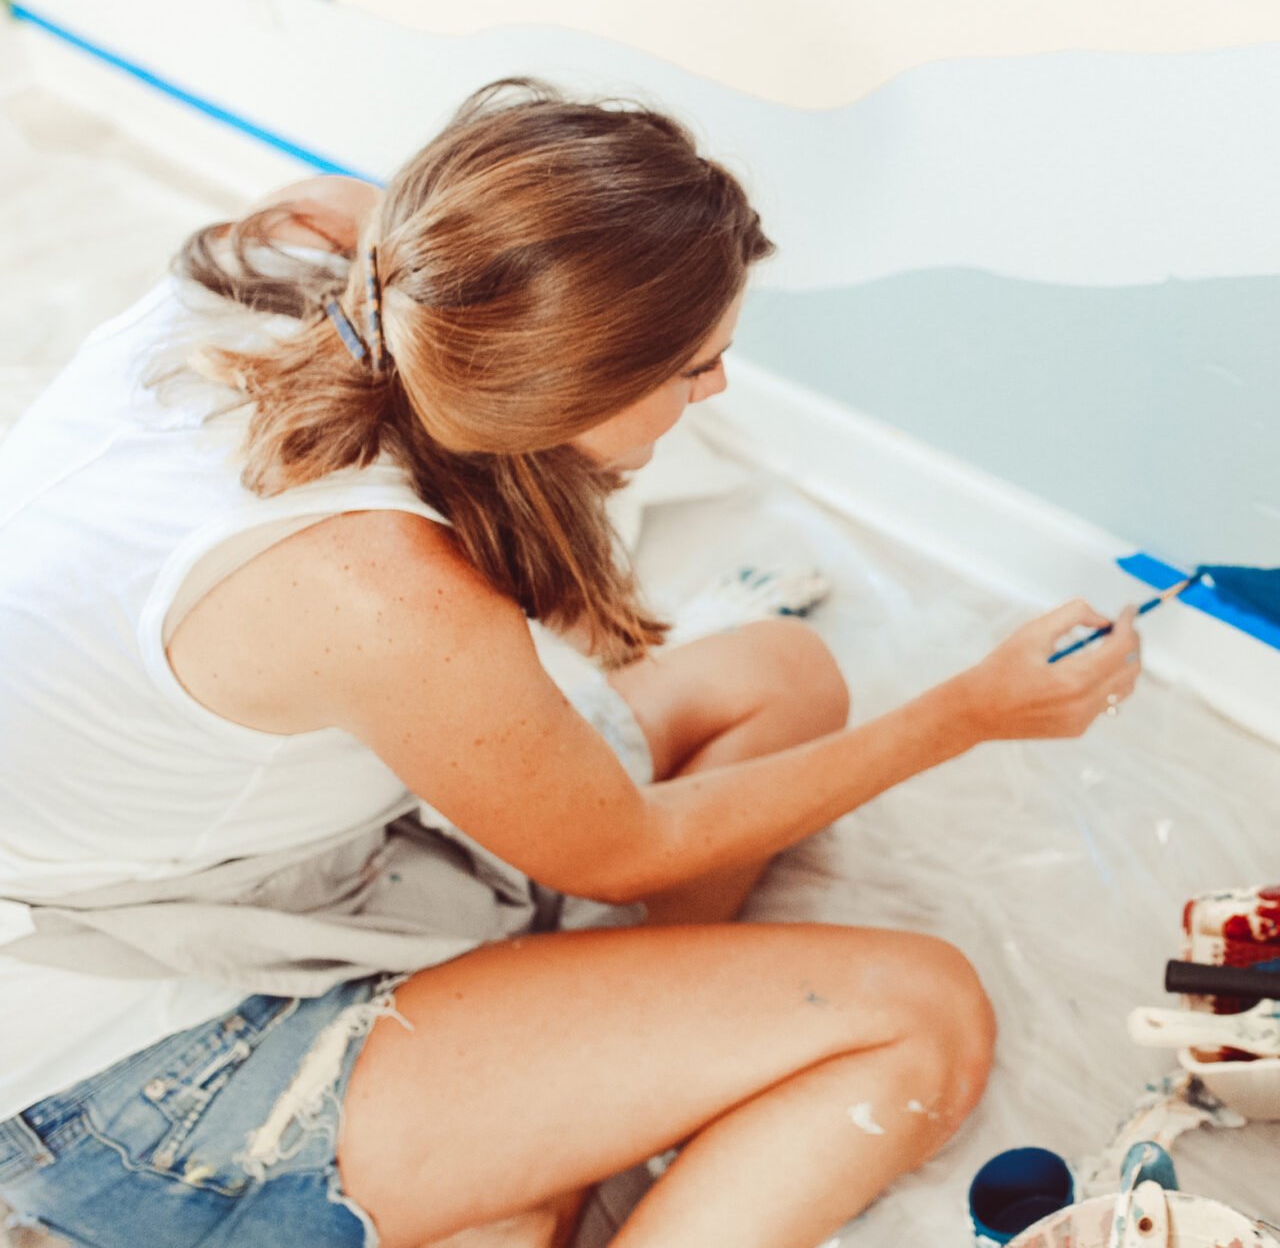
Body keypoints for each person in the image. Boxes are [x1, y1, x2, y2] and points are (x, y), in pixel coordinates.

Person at [0, 80, 1142, 1247]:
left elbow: (494, 244)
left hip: (268, 866)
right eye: (695, 368)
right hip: (119, 1070)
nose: (715, 391)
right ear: (559, 385)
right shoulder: (377, 585)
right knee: (922, 1015)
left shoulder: (326, 245)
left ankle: (561, 1096)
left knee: (779, 676)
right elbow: (624, 844)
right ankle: (524, 1154)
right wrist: (970, 713)